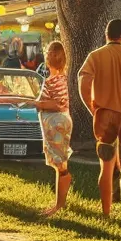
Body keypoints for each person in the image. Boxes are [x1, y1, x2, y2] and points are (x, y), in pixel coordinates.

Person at [79, 19, 121, 220]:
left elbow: (83, 81)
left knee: (106, 166)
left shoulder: (95, 56)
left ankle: (106, 212)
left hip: (104, 114)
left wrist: (91, 106)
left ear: (106, 35)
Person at [34, 41, 73, 217]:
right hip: (59, 123)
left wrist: (37, 103)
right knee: (60, 163)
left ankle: (59, 205)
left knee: (60, 164)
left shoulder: (51, 82)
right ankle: (59, 202)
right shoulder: (63, 79)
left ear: (48, 60)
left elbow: (57, 104)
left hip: (55, 125)